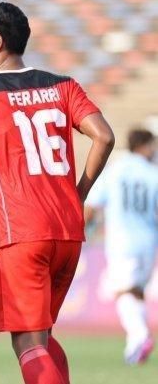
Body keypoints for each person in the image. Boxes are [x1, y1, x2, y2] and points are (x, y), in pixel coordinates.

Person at [0, 2, 115, 384]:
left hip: (22, 234)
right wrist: (79, 193)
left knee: (28, 341)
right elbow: (105, 136)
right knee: (42, 337)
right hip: (69, 230)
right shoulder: (63, 85)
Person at [86, 128, 158, 365]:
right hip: (148, 240)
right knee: (136, 291)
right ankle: (134, 348)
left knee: (122, 291)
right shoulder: (153, 173)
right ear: (144, 145)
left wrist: (80, 229)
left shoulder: (115, 170)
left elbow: (94, 203)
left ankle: (139, 336)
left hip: (122, 240)